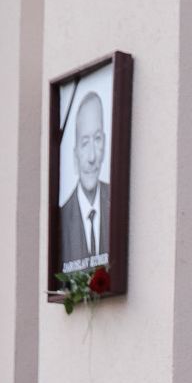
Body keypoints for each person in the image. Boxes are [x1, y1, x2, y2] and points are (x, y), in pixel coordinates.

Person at [58, 90, 109, 273]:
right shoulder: (61, 220)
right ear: (74, 156)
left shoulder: (116, 204)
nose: (92, 157)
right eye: (85, 143)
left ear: (105, 144)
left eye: (97, 139)